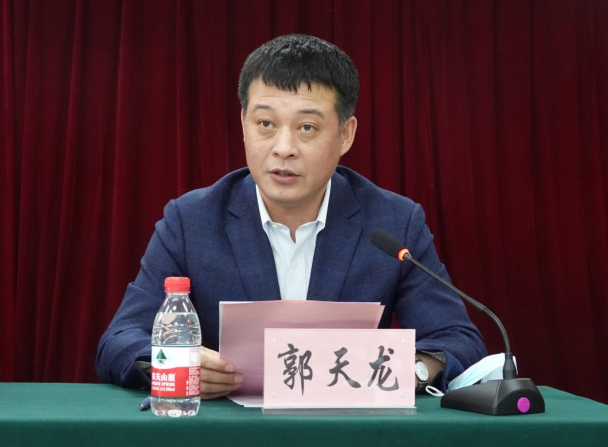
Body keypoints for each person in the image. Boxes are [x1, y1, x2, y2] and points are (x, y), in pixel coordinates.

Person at [96, 34, 487, 400]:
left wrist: (410, 371)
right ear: (244, 126)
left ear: (346, 134)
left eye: (307, 127)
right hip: (227, 431)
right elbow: (120, 340)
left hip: (350, 431)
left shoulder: (392, 222)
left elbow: (458, 340)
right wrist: (173, 364)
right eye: (266, 124)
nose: (284, 148)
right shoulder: (192, 220)